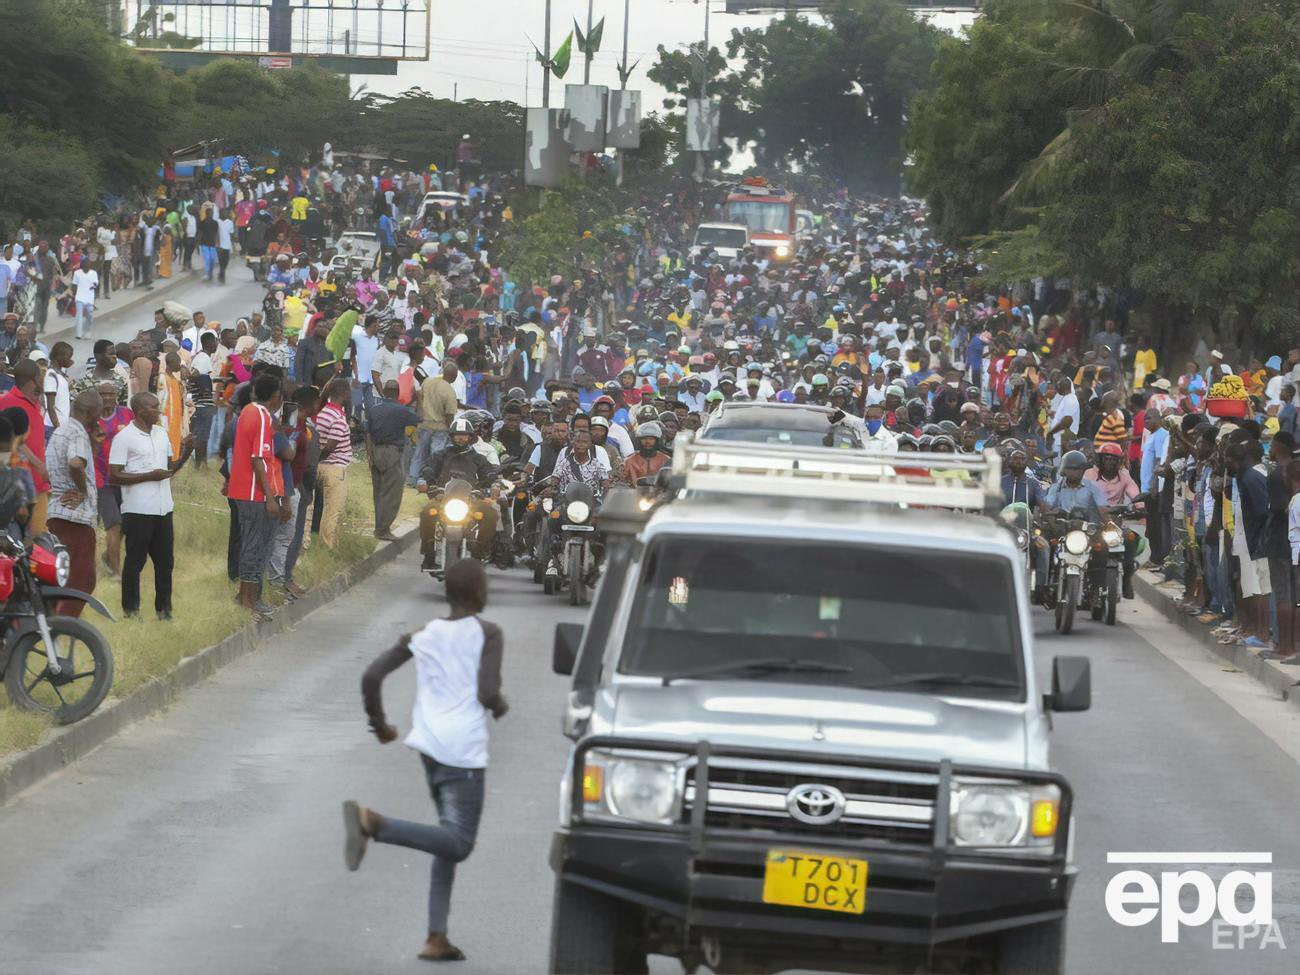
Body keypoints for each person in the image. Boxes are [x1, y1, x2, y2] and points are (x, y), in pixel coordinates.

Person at [345, 559, 507, 963]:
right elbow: (487, 692)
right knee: (459, 842)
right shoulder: (488, 633)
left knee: (445, 839)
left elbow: (371, 676)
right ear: (479, 592)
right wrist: (500, 706)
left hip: (430, 749)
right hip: (463, 752)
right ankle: (373, 824)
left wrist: (380, 724)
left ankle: (437, 936)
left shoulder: (425, 633)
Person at [109, 392, 194, 620]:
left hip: (163, 507)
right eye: (154, 407)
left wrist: (186, 453)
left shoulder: (161, 434)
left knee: (165, 562)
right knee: (135, 562)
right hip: (138, 509)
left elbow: (167, 471)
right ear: (140, 411)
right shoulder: (125, 437)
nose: (159, 410)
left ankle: (164, 611)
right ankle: (131, 610)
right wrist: (148, 476)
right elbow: (114, 475)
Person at [227, 373, 288, 620]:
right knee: (255, 546)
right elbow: (258, 458)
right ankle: (247, 600)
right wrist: (271, 498)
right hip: (255, 493)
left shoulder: (249, 411)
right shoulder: (262, 417)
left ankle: (251, 597)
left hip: (247, 490)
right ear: (276, 396)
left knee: (256, 545)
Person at [45, 390, 103, 617]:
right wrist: (81, 491)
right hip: (75, 518)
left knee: (59, 576)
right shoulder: (77, 434)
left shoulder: (62, 430)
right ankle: (63, 627)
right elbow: (76, 463)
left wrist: (95, 445)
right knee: (81, 580)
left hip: (57, 513)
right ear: (91, 412)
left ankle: (47, 623)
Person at [366, 380, 420, 541]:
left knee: (379, 492)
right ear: (398, 393)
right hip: (393, 453)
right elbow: (418, 419)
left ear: (384, 391)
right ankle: (383, 529)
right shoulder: (401, 410)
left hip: (376, 450)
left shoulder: (374, 409)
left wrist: (370, 455)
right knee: (392, 492)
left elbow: (367, 433)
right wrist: (419, 400)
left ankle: (379, 527)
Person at [0, 360, 49, 533]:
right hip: (17, 484)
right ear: (34, 379)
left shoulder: (34, 402)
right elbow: (11, 438)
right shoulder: (7, 401)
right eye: (41, 374)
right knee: (21, 538)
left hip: (38, 483)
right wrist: (37, 463)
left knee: (39, 538)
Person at [315, 377, 353, 550]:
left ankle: (309, 542)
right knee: (332, 510)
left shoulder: (323, 412)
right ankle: (328, 546)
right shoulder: (338, 419)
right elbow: (330, 447)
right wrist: (320, 457)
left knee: (317, 508)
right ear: (344, 394)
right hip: (335, 468)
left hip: (321, 466)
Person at [412, 361, 460, 487]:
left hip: (423, 424)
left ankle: (412, 479)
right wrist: (451, 431)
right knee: (435, 456)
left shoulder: (427, 381)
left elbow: (420, 398)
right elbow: (450, 415)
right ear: (454, 376)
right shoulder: (450, 391)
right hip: (440, 428)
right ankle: (432, 481)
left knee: (419, 453)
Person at [72, 258, 98, 340]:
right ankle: (78, 333)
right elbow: (74, 285)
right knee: (79, 314)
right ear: (82, 265)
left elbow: (96, 284)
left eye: (88, 264)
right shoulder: (77, 273)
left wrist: (93, 286)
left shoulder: (93, 273)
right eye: (85, 264)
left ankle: (88, 331)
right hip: (79, 297)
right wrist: (74, 295)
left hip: (89, 298)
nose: (86, 265)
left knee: (89, 315)